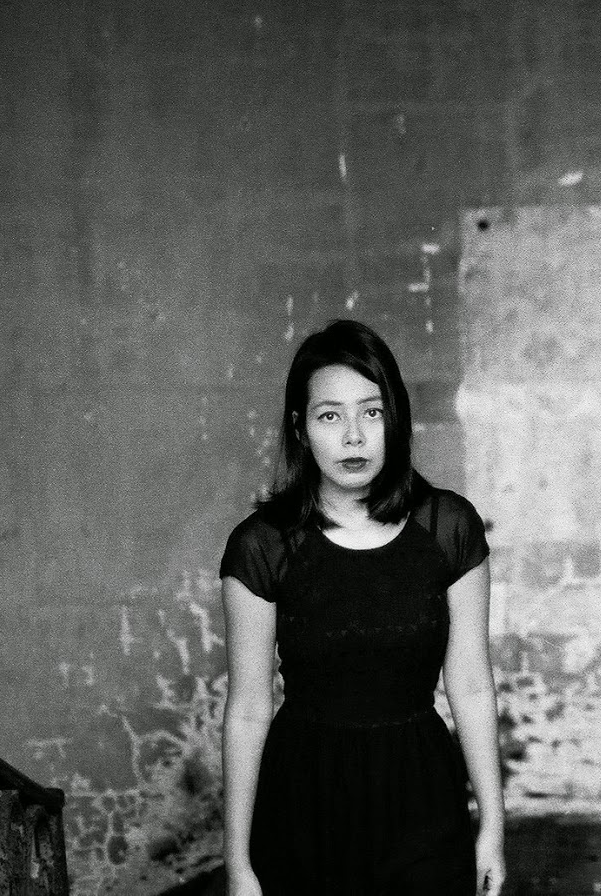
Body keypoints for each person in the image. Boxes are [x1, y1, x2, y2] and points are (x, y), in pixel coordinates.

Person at [219, 318, 505, 895]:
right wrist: (238, 864)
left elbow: (471, 684)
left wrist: (493, 828)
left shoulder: (448, 527)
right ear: (300, 429)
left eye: (371, 413)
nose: (354, 436)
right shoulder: (263, 547)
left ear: (394, 420)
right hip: (303, 801)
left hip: (421, 795)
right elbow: (248, 707)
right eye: (330, 416)